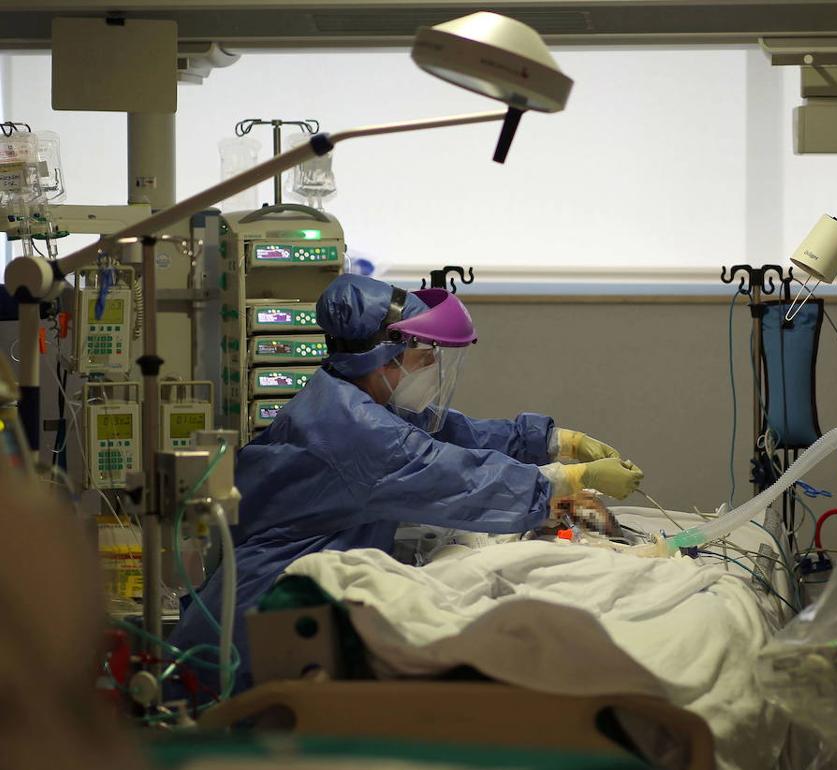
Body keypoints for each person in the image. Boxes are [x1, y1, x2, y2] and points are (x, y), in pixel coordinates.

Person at [168, 274, 642, 693]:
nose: (432, 366)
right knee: (250, 734)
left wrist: (556, 442)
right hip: (262, 617)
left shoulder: (348, 396)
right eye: (424, 355)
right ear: (385, 356)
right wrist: (566, 482)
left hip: (285, 603)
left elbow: (455, 435)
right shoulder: (359, 432)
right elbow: (458, 478)